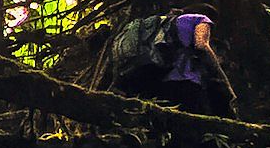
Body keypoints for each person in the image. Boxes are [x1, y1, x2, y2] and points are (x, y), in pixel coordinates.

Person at [101, 9, 236, 116]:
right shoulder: (201, 19)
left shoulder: (165, 22)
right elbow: (201, 45)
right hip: (186, 81)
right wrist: (222, 78)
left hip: (158, 80)